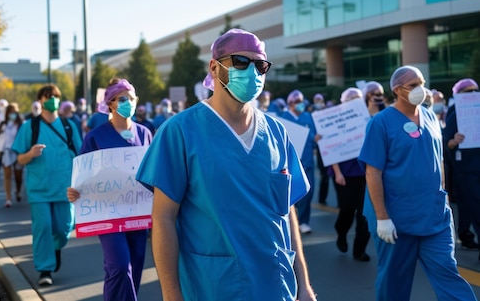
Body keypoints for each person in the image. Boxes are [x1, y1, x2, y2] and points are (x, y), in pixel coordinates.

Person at [136, 29, 317, 301]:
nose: (252, 72)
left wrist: (303, 284)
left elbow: (287, 211)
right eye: (241, 62)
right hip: (213, 285)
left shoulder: (277, 132)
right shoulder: (180, 131)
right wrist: (171, 295)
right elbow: (163, 218)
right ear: (215, 67)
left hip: (276, 285)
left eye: (260, 65)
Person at [359, 66, 476, 301]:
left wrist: (443, 197)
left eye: (421, 83)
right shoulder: (380, 123)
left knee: (448, 275)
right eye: (412, 86)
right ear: (397, 90)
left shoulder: (431, 116)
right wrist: (382, 217)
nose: (419, 90)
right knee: (394, 284)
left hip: (433, 216)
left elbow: (438, 158)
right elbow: (373, 173)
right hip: (396, 219)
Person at [67, 78, 153, 301]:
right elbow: (81, 176)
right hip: (108, 214)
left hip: (137, 213)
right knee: (119, 266)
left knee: (134, 267)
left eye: (131, 98)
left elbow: (154, 172)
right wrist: (74, 192)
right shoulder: (95, 137)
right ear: (111, 104)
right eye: (122, 99)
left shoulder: (145, 134)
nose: (128, 103)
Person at [12, 84, 83, 286]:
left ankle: (56, 248)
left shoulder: (69, 127)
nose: (51, 98)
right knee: (43, 227)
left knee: (64, 228)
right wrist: (30, 153)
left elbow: (81, 156)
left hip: (65, 188)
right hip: (39, 189)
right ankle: (45, 269)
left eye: (55, 96)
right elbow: (20, 159)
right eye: (47, 96)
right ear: (40, 100)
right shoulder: (30, 127)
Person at [327, 88, 370, 261]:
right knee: (347, 209)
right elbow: (329, 148)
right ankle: (341, 232)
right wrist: (337, 172)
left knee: (364, 213)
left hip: (365, 173)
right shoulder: (334, 120)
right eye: (351, 98)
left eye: (357, 98)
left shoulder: (367, 119)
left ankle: (359, 249)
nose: (354, 101)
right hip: (343, 174)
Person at [442, 78, 480, 252]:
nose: (472, 95)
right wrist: (454, 141)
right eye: (468, 92)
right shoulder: (454, 111)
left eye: (475, 91)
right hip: (465, 168)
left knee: (469, 206)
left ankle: (465, 234)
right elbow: (446, 142)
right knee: (475, 206)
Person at [281, 89, 321, 234]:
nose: (300, 105)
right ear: (290, 103)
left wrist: (315, 139)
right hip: (290, 161)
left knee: (307, 192)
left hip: (307, 159)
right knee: (290, 192)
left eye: (301, 102)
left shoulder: (307, 116)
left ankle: (304, 221)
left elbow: (314, 135)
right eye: (297, 102)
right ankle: (290, 221)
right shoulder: (283, 117)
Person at [0, 103, 24, 208]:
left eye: (14, 111)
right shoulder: (2, 124)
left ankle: (18, 190)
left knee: (18, 175)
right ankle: (8, 198)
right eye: (10, 111)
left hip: (18, 152)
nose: (12, 114)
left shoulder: (21, 124)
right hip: (6, 152)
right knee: (7, 175)